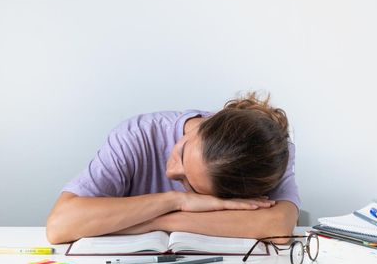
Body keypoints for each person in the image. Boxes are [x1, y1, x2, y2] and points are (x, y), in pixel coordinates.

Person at [46, 92, 300, 244]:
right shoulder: (138, 135)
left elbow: (277, 227)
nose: (170, 172)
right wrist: (176, 199)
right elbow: (60, 225)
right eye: (180, 151)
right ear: (203, 123)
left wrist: (155, 221)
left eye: (188, 184)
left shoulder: (267, 152)